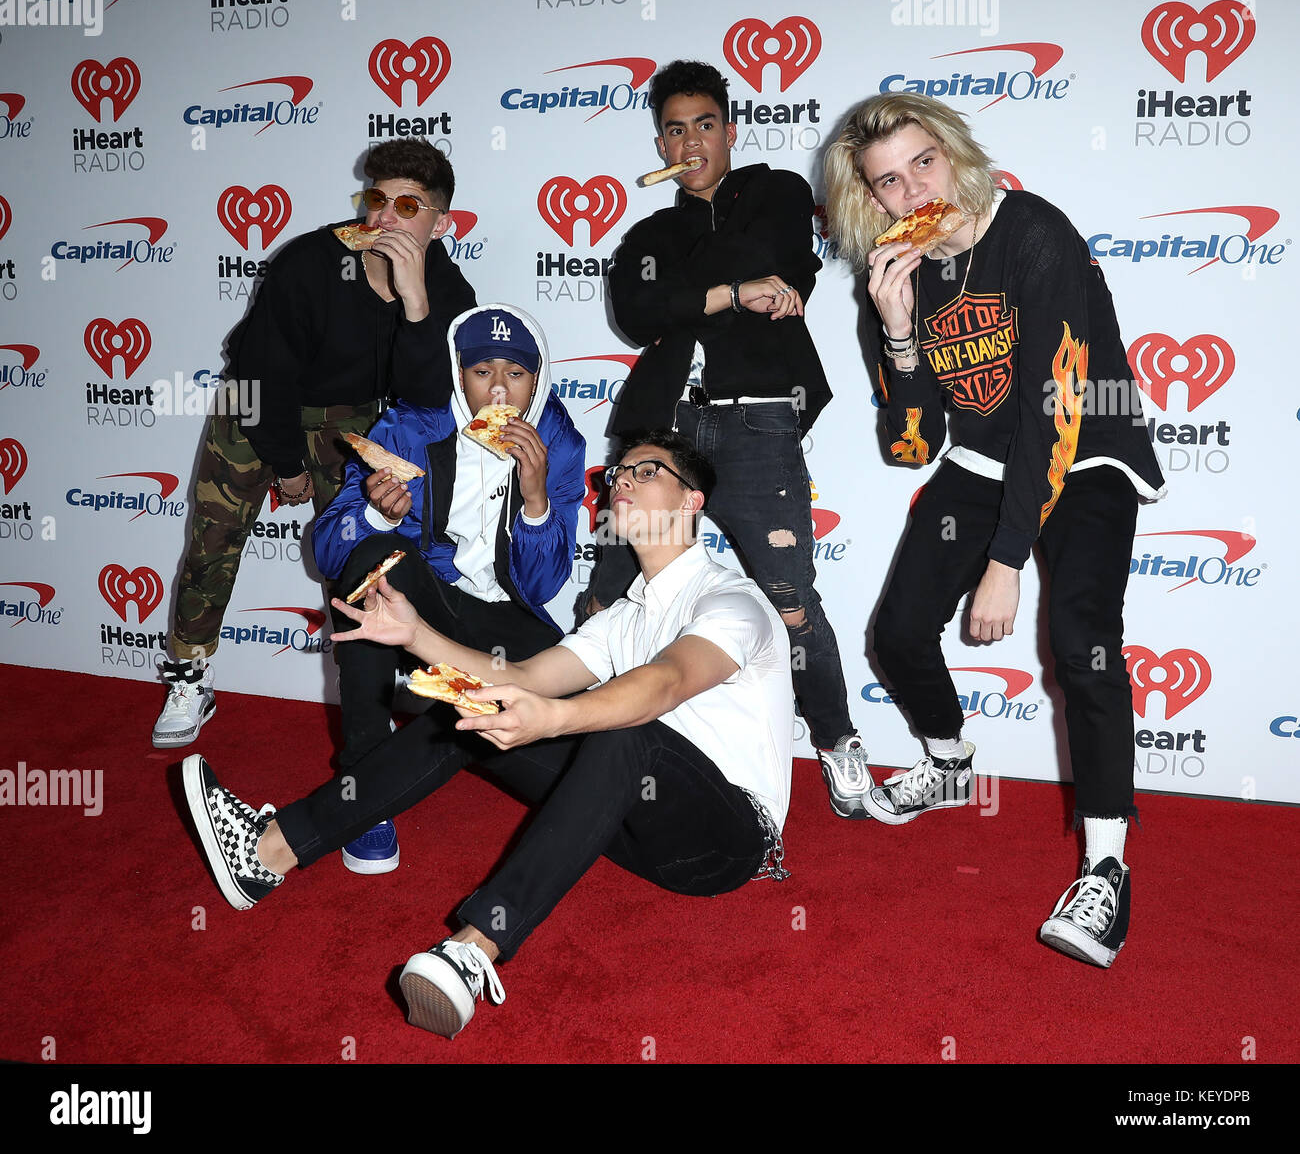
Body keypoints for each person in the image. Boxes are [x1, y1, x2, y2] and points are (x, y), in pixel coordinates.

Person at [182, 429, 793, 1039]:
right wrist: (416, 636)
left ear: (692, 503)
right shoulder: (627, 616)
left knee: (625, 730)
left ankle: (475, 952)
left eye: (647, 472)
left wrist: (554, 717)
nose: (622, 483)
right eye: (618, 475)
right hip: (634, 824)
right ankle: (270, 851)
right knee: (469, 705)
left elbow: (665, 683)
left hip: (726, 839)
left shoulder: (731, 602)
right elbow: (523, 673)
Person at [824, 93, 1167, 968]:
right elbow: (912, 445)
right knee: (898, 632)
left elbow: (1055, 409)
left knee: (1084, 639)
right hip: (981, 461)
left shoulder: (1033, 231)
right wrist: (897, 333)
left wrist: (1007, 560)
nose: (911, 192)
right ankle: (948, 762)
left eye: (923, 165)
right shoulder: (897, 273)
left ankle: (1106, 868)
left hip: (1085, 448)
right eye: (887, 183)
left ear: (955, 155)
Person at [600, 59, 870, 817]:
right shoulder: (651, 229)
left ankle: (838, 739)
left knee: (788, 596)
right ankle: (610, 749)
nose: (690, 143)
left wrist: (687, 294)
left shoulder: (777, 191)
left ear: (731, 129)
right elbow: (636, 311)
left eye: (705, 126)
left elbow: (773, 267)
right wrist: (727, 294)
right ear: (659, 143)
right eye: (675, 130)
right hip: (661, 428)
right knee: (613, 589)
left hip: (756, 417)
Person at [151, 139, 476, 749]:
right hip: (256, 401)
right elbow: (262, 369)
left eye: (408, 206)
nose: (384, 218)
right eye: (377, 198)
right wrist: (284, 463)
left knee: (360, 555)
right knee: (214, 537)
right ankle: (190, 673)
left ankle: (370, 690)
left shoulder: (449, 291)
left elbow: (426, 398)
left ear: (442, 222)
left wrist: (415, 301)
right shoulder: (312, 262)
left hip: (346, 416)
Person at [312, 303, 587, 873]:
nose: (499, 393)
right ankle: (363, 780)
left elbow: (544, 583)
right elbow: (327, 552)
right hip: (427, 603)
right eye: (482, 371)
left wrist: (536, 499)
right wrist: (376, 515)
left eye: (516, 373)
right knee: (372, 559)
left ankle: (451, 730)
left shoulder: (557, 440)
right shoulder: (409, 427)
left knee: (578, 737)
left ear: (539, 378)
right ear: (458, 374)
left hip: (506, 619)